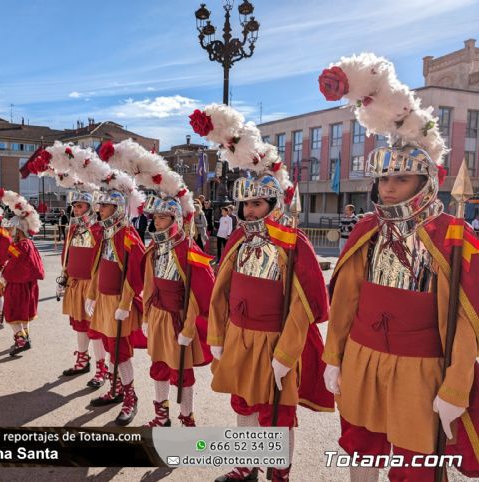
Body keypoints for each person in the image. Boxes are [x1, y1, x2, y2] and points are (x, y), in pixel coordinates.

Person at [320, 52, 479, 482]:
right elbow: (346, 299)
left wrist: (456, 385)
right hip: (362, 356)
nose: (388, 188)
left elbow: (468, 321)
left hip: (421, 367)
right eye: (383, 179)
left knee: (415, 465)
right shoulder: (367, 229)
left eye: (401, 179)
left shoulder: (455, 235)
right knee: (360, 449)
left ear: (426, 182)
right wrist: (334, 355)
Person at [189, 102, 333, 482]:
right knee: (245, 404)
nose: (250, 210)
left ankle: (279, 470)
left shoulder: (293, 243)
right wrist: (218, 336)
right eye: (246, 203)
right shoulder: (237, 237)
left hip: (276, 340)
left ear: (273, 203)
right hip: (240, 335)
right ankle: (246, 462)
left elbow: (304, 304)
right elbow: (221, 291)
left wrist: (287, 353)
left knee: (278, 412)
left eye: (257, 203)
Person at [141, 194, 214, 428]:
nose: (157, 223)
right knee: (158, 366)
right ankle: (162, 414)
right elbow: (148, 285)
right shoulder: (154, 247)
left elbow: (198, 292)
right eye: (155, 218)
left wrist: (189, 327)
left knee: (182, 371)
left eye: (162, 218)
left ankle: (187, 417)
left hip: (179, 320)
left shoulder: (188, 250)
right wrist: (146, 316)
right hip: (158, 316)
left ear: (175, 219)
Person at [85, 188, 146, 426]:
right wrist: (91, 294)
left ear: (117, 208)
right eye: (99, 206)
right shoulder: (106, 232)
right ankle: (116, 388)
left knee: (120, 352)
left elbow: (135, 271)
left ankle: (130, 396)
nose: (99, 210)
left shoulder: (127, 233)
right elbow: (98, 266)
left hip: (118, 302)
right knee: (111, 347)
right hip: (103, 299)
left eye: (104, 206)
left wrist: (125, 303)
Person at [58, 191, 109, 389]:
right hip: (74, 282)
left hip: (91, 285)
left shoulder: (98, 229)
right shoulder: (72, 228)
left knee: (95, 329)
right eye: (75, 206)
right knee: (79, 324)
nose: (76, 210)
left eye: (80, 206)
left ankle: (101, 368)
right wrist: (63, 276)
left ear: (90, 207)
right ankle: (82, 360)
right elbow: (67, 254)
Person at [0, 195, 45, 356]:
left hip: (18, 285)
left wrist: (4, 273)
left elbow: (16, 265)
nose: (10, 232)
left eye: (13, 229)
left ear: (20, 230)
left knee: (14, 313)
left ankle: (21, 340)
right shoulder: (25, 244)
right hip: (24, 285)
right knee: (22, 314)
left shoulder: (22, 246)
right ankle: (25, 337)